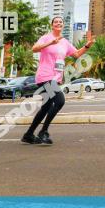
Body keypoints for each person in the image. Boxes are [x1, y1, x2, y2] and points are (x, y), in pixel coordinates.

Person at [22, 17, 94, 145]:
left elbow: (76, 54)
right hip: (45, 76)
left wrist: (87, 46)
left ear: (63, 25)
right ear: (52, 25)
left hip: (55, 78)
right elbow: (34, 49)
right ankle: (43, 132)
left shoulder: (65, 42)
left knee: (46, 107)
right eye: (56, 22)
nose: (58, 23)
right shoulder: (46, 37)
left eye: (61, 22)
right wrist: (50, 43)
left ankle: (28, 134)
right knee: (60, 101)